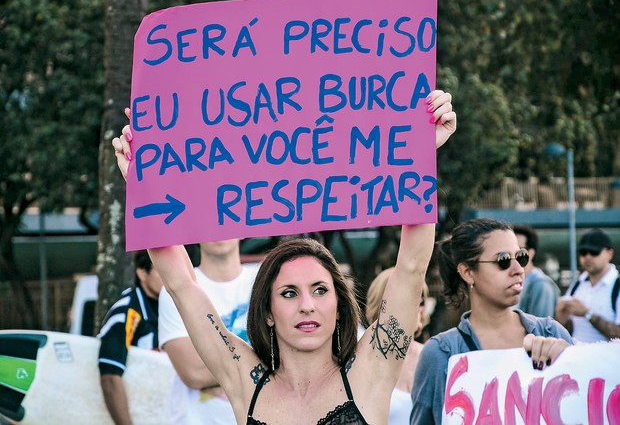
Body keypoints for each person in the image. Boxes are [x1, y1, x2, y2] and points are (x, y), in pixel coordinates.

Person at [113, 89, 456, 424]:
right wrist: (144, 186)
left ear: (339, 307)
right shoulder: (245, 381)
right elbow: (182, 285)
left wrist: (420, 152)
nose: (307, 304)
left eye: (320, 290)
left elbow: (410, 268)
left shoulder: (373, 369)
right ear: (268, 313)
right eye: (289, 293)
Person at [409, 218, 573, 425]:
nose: (518, 270)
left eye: (520, 257)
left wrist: (568, 359)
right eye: (503, 261)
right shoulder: (441, 354)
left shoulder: (551, 333)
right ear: (468, 272)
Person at [158, 240, 259, 424]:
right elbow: (194, 374)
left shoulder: (264, 282)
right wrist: (265, 366)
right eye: (211, 220)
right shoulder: (174, 291)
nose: (219, 231)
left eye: (229, 216)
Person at [98, 250, 163, 425]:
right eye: (162, 269)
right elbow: (110, 378)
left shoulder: (174, 306)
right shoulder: (126, 312)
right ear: (142, 272)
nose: (170, 275)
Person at [365, 268, 432, 425]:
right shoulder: (361, 361)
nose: (418, 306)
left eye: (421, 300)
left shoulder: (433, 355)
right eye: (408, 298)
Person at [555, 228, 619, 343]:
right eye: (584, 252)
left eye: (594, 252)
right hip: (576, 356)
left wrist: (587, 314)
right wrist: (562, 319)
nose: (588, 257)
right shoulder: (578, 284)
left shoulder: (617, 287)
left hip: (606, 359)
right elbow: (572, 330)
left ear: (609, 254)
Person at [512, 224, 560, 317]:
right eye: (509, 250)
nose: (513, 255)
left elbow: (540, 328)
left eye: (519, 250)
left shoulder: (541, 285)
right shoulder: (514, 280)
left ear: (531, 253)